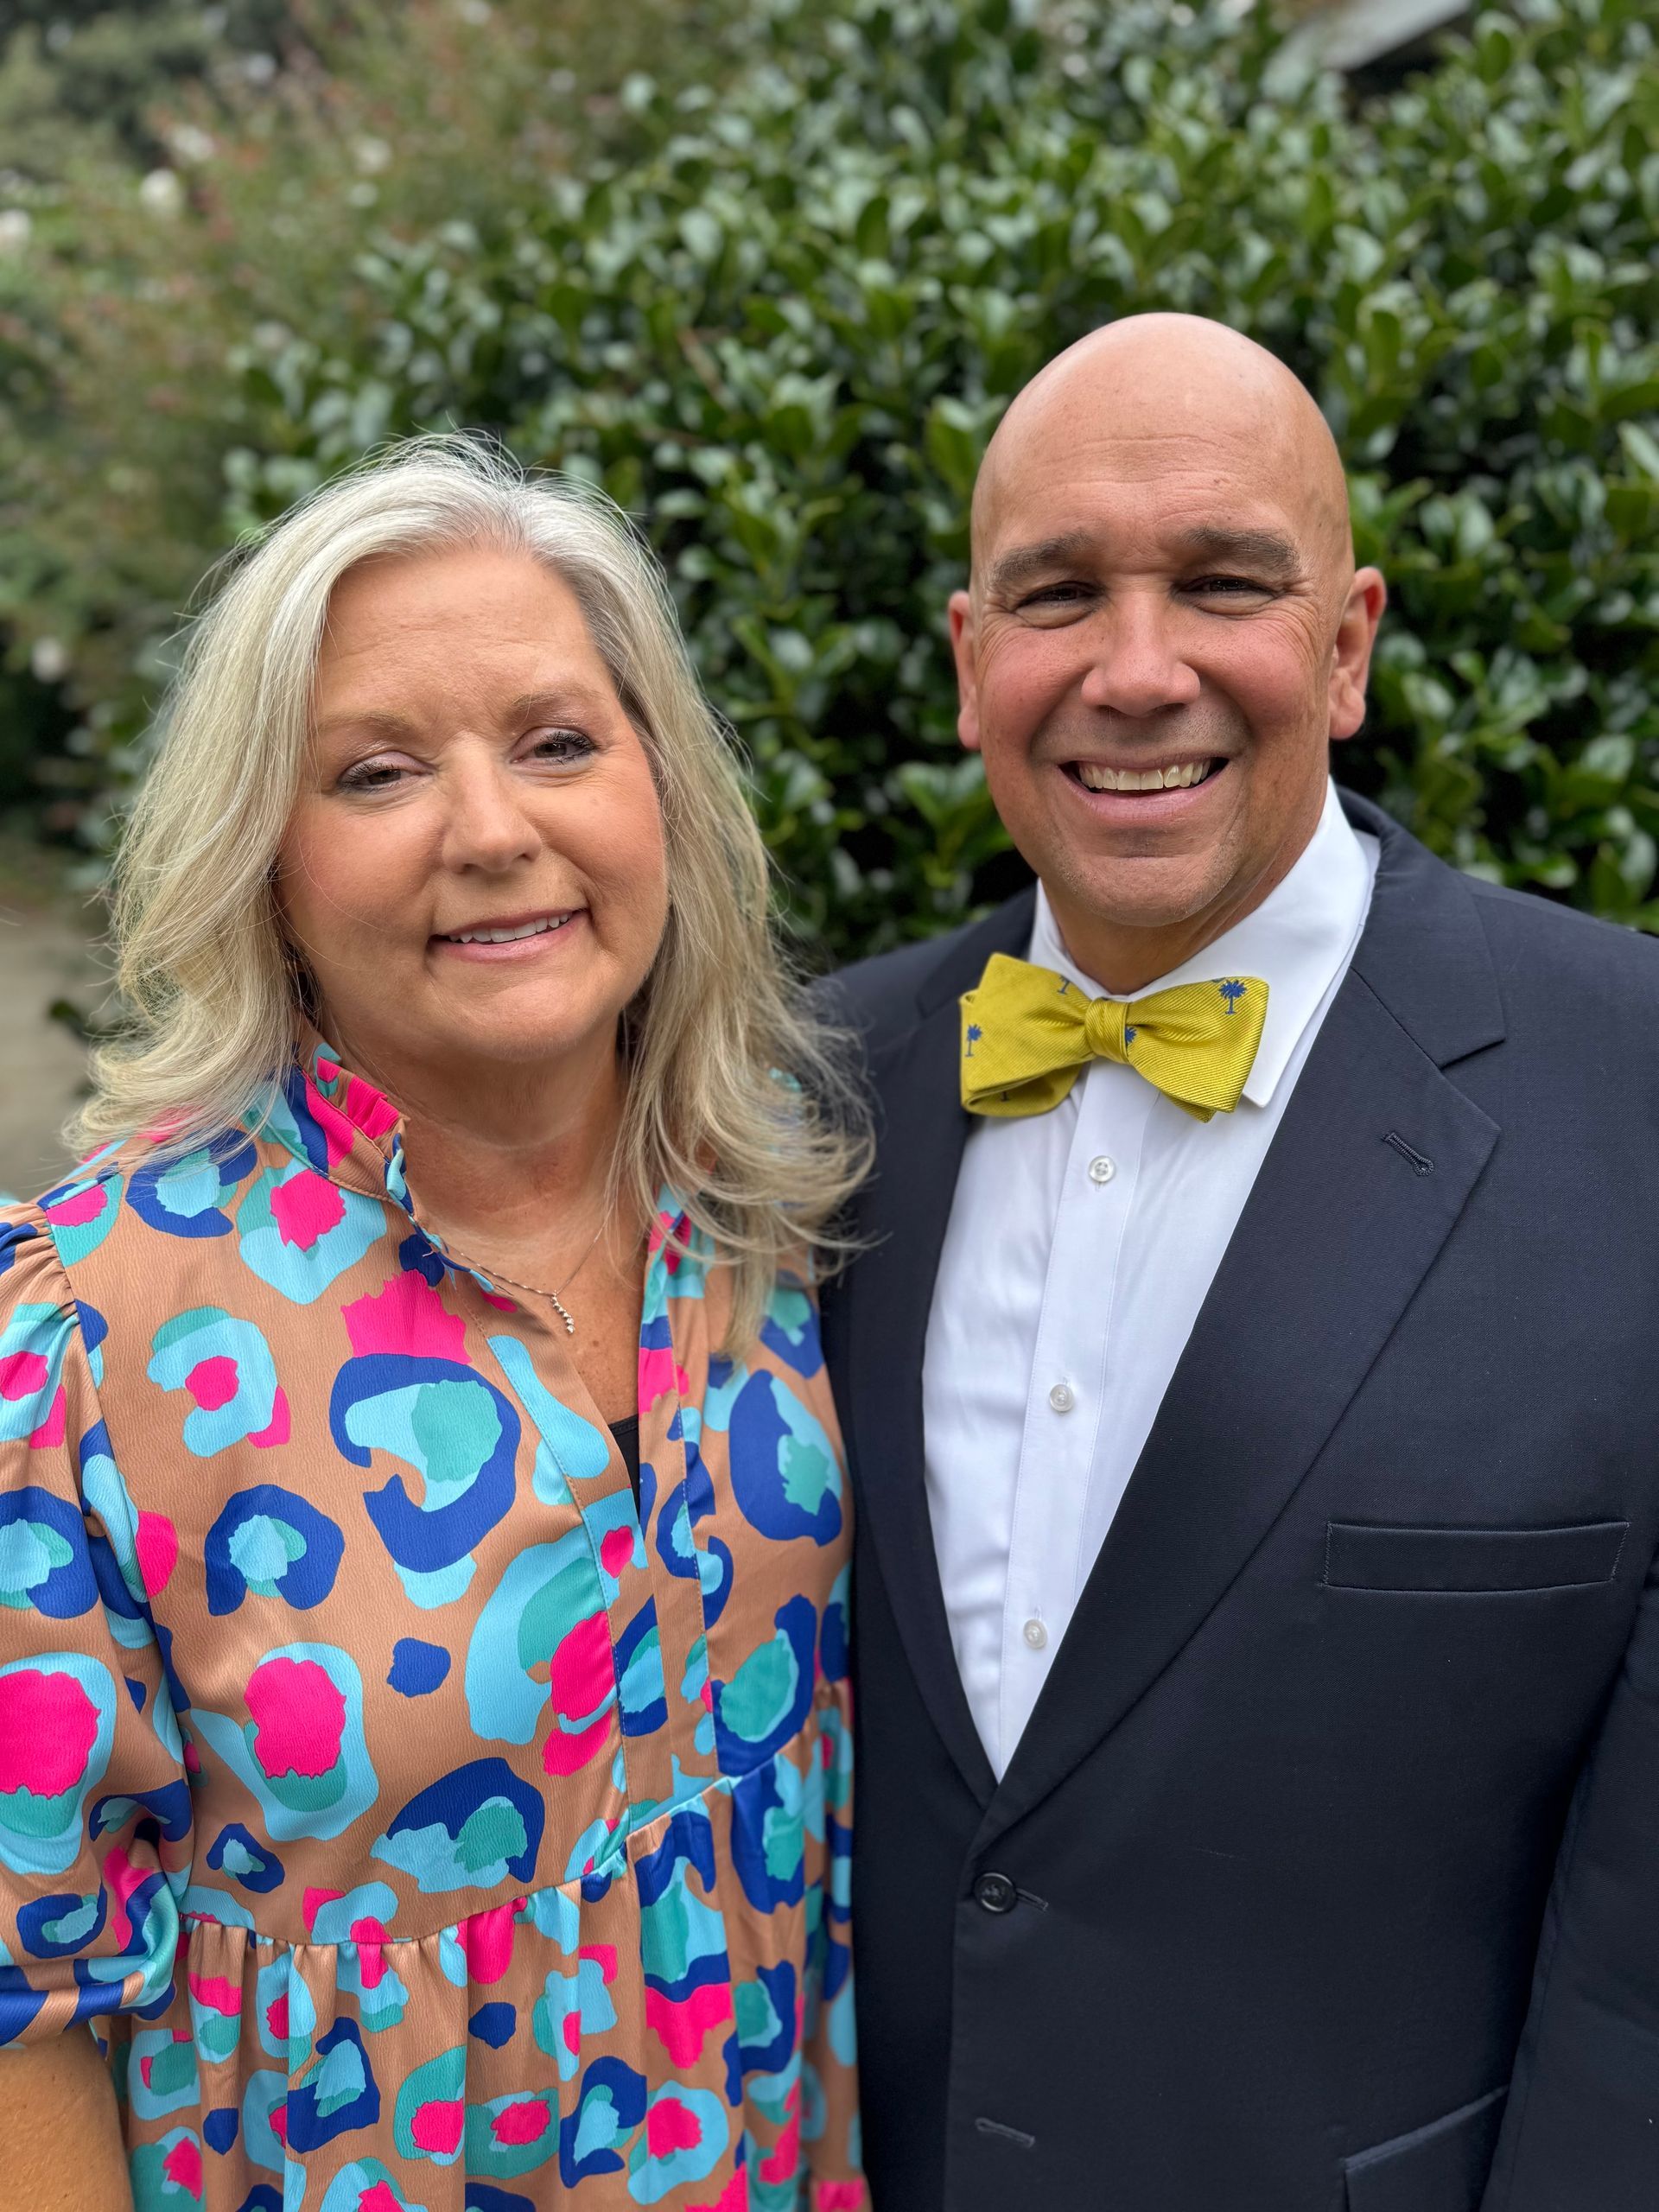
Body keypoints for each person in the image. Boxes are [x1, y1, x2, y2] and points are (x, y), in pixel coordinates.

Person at [820, 313, 1659, 2211]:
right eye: (1059, 594)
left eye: (1222, 584)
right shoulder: (805, 1096)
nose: (1137, 669)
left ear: (1348, 644)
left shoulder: (1634, 1090)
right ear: (971, 663)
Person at [0, 440, 869, 2212]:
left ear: (663, 793)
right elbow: (19, 1999)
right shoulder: (90, 1332)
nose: (493, 830)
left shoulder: (784, 1199)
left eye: (558, 740)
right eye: (378, 771)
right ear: (268, 860)